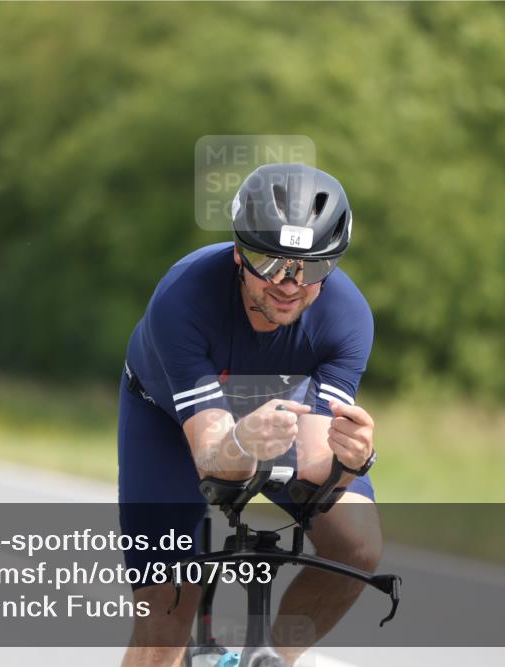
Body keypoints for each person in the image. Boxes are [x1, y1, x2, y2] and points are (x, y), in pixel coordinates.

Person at [118, 163, 381, 666]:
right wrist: (241, 443)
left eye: (311, 267)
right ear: (239, 252)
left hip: (277, 416)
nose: (288, 284)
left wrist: (351, 462)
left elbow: (314, 474)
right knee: (166, 619)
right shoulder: (183, 296)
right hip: (167, 418)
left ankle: (269, 658)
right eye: (269, 261)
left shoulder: (347, 318)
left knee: (358, 543)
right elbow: (214, 462)